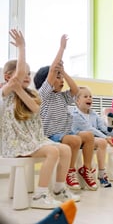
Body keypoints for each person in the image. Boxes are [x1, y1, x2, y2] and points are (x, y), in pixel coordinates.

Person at [0, 29, 79, 209]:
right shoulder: (4, 94)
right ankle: (40, 195)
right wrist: (22, 47)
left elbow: (35, 108)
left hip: (33, 140)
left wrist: (19, 89)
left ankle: (59, 189)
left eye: (29, 74)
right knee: (52, 152)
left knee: (65, 149)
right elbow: (18, 76)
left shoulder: (30, 93)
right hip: (16, 143)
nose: (26, 76)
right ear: (7, 77)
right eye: (23, 73)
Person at [33, 35, 97, 191]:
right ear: (47, 81)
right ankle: (70, 171)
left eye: (62, 78)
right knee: (74, 140)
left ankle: (85, 169)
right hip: (50, 135)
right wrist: (61, 49)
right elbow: (52, 71)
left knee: (88, 136)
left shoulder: (62, 96)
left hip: (66, 133)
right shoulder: (44, 94)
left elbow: (76, 91)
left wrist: (64, 73)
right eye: (58, 78)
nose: (62, 81)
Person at [71, 86, 113, 187]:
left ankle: (101, 173)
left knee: (101, 142)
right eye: (86, 96)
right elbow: (90, 129)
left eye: (90, 96)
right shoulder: (75, 115)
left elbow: (103, 127)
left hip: (92, 140)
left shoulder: (93, 114)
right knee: (102, 141)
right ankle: (99, 173)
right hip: (79, 140)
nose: (89, 98)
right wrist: (105, 138)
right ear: (77, 101)